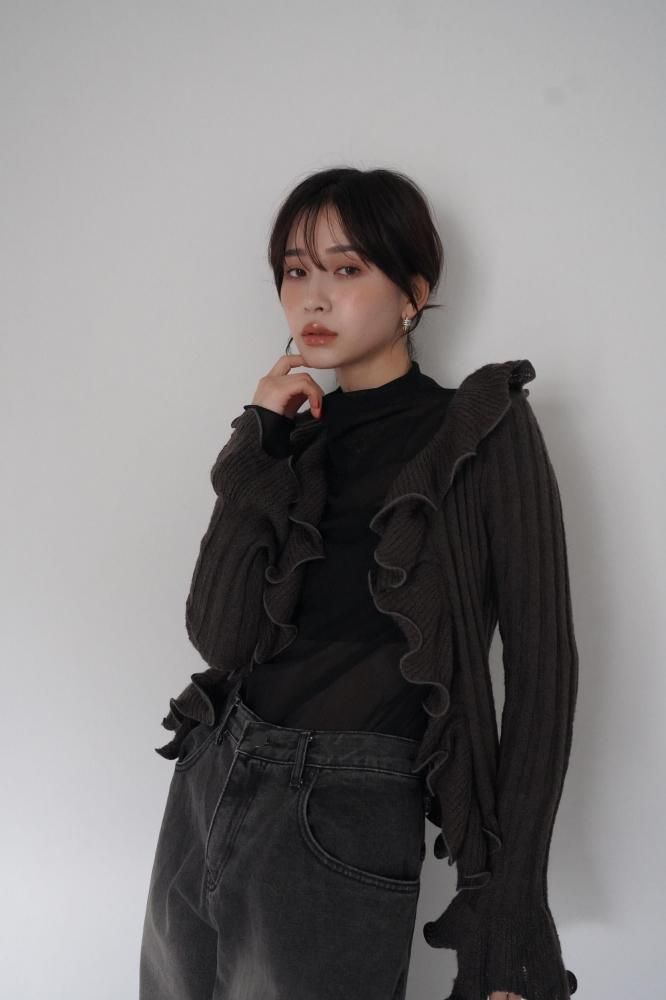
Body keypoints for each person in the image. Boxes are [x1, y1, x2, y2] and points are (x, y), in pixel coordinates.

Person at [139, 167, 579, 1000]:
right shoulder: (294, 437)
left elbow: (542, 676)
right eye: (294, 271)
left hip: (342, 809)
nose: (313, 297)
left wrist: (509, 919)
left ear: (413, 293)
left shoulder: (480, 430)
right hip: (208, 782)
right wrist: (260, 439)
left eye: (346, 268)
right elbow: (220, 637)